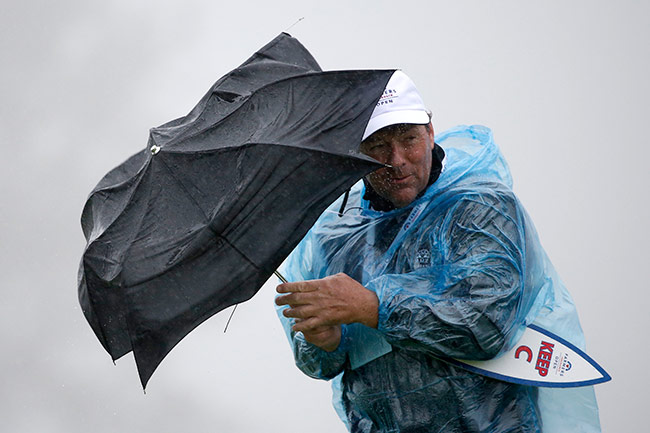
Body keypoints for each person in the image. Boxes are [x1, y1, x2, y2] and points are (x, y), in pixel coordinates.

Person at [275, 71, 601, 432]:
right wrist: (324, 342)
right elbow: (318, 362)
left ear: (430, 132)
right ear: (356, 150)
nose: (397, 160)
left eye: (408, 139)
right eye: (379, 146)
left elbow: (487, 325)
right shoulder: (336, 233)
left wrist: (372, 306)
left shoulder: (479, 209)